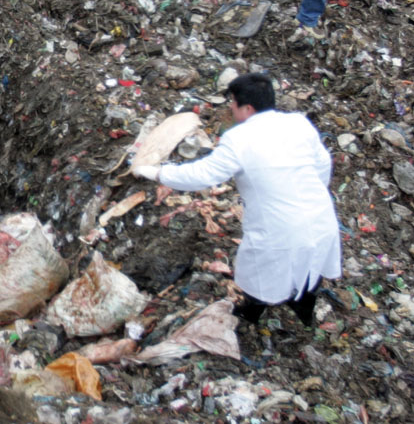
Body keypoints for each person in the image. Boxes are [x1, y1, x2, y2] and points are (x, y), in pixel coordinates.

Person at [144, 73, 341, 326]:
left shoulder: (238, 140)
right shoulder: (299, 124)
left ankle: (251, 315)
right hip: (321, 215)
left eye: (233, 103)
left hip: (279, 227)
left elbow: (203, 175)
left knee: (261, 275)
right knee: (310, 269)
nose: (230, 107)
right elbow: (323, 164)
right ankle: (304, 314)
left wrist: (159, 173)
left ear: (247, 108)